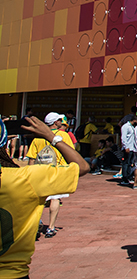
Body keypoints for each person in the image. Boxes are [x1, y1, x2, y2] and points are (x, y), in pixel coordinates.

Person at [1, 115, 89, 278]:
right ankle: (51, 226)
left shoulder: (31, 154)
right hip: (12, 272)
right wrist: (50, 136)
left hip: (37, 176)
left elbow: (31, 160)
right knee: (52, 200)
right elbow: (82, 166)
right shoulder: (24, 178)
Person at [26, 112, 77, 238]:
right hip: (57, 171)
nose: (61, 122)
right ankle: (51, 227)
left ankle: (37, 221)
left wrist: (30, 173)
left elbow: (32, 158)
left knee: (39, 200)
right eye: (60, 120)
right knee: (55, 198)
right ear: (55, 122)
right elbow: (71, 153)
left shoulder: (38, 138)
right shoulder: (63, 135)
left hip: (40, 171)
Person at [119, 115, 137, 187]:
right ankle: (124, 178)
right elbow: (123, 137)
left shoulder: (133, 127)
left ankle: (129, 176)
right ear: (134, 120)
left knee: (130, 163)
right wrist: (126, 147)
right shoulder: (125, 127)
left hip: (132, 147)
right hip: (128, 148)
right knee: (126, 163)